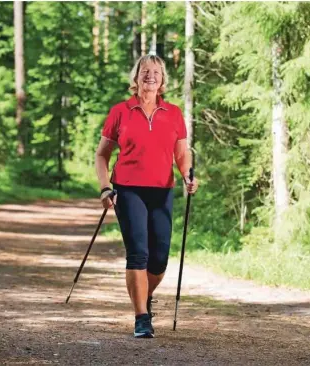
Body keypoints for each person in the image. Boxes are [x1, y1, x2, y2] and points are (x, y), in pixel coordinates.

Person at [95, 55, 199, 338]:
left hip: (162, 189)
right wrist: (105, 187)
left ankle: (143, 295)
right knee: (138, 253)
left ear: (163, 79)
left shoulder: (174, 113)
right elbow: (102, 154)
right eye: (144, 71)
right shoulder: (121, 111)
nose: (150, 76)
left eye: (155, 72)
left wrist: (188, 174)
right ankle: (142, 316)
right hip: (128, 188)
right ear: (136, 77)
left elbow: (181, 153)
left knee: (159, 260)